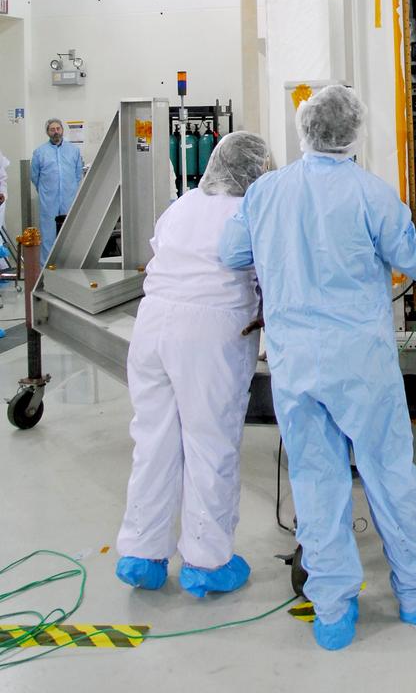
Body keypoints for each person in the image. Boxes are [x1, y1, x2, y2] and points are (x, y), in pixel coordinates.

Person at [219, 84, 416, 652]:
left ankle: (333, 612)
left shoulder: (266, 192)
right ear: (355, 134)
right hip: (360, 366)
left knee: (315, 483)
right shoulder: (371, 194)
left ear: (303, 130)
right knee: (389, 472)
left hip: (295, 367)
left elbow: (230, 254)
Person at [115, 131, 269, 597]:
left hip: (152, 326)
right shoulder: (252, 213)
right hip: (210, 335)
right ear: (256, 172)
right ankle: (206, 561)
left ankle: (142, 553)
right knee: (209, 442)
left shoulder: (180, 207)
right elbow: (270, 275)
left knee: (154, 439)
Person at [31, 119, 83, 265]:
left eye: (58, 129)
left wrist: (69, 188)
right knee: (48, 235)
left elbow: (78, 174)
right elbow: (35, 176)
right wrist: (46, 191)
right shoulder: (40, 152)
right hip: (49, 200)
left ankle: (70, 267)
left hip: (69, 198)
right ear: (47, 132)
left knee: (69, 233)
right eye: (52, 129)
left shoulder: (73, 151)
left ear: (62, 130)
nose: (56, 132)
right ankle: (46, 271)